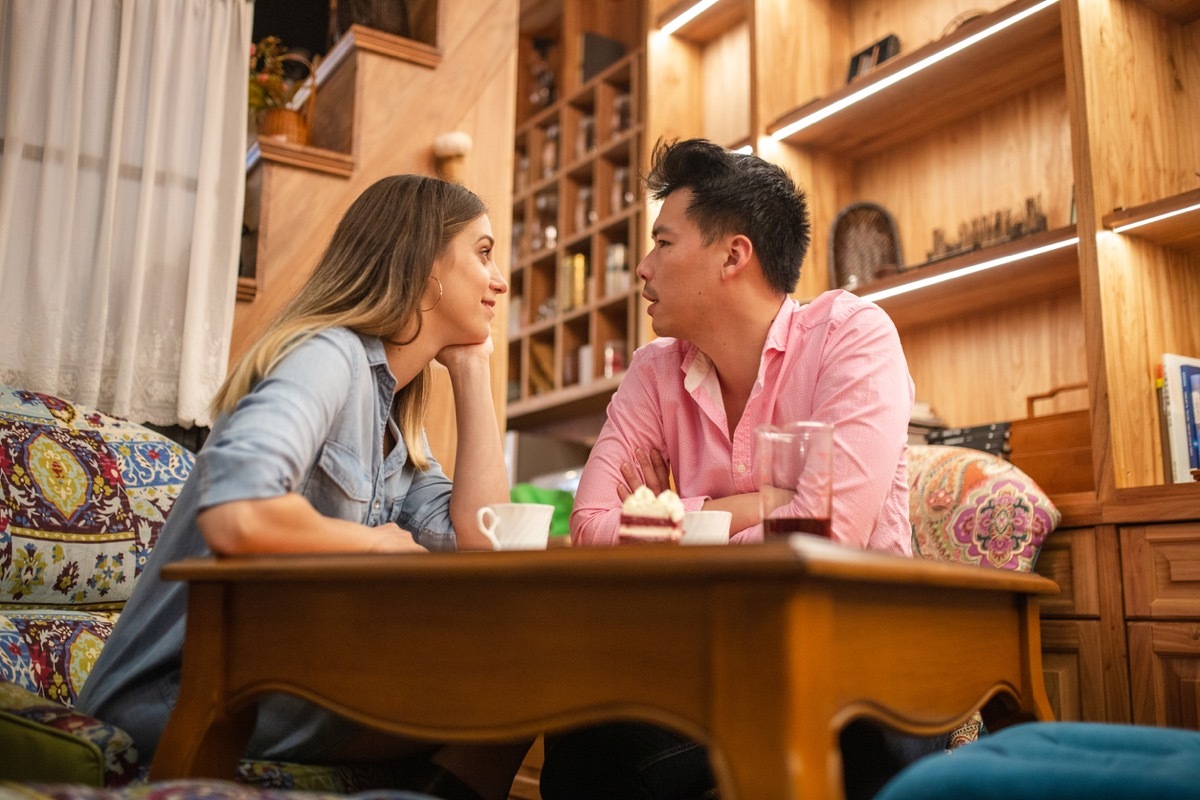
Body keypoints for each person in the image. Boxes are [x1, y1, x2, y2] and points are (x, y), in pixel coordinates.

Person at [77, 175, 527, 800]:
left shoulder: (393, 425)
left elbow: (485, 544)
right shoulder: (329, 356)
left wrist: (473, 373)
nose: (500, 279)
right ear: (428, 264)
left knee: (528, 674)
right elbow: (237, 514)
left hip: (274, 684)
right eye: (483, 252)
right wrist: (373, 546)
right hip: (179, 695)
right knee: (517, 682)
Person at [538, 139, 917, 800]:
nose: (644, 269)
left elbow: (824, 542)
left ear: (733, 255)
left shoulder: (852, 337)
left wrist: (676, 523)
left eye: (662, 243)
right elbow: (591, 525)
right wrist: (757, 505)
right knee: (581, 739)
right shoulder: (655, 372)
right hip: (706, 669)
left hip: (861, 672)